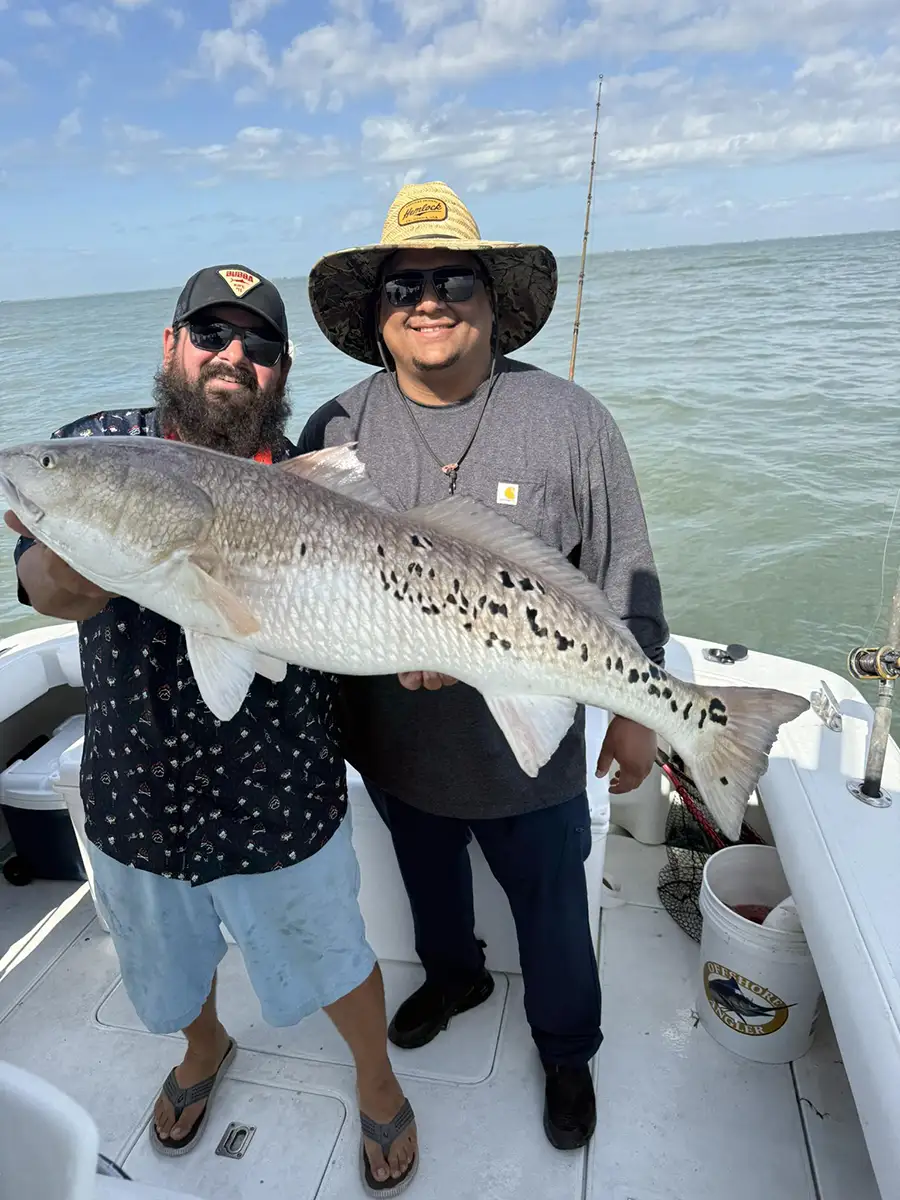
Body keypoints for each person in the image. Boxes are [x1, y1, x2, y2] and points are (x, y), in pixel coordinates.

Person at [4, 264, 418, 1195]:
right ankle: (204, 1048)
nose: (234, 356)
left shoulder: (309, 468)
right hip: (135, 791)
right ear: (171, 346)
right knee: (168, 959)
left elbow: (382, 590)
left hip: (281, 793)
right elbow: (41, 581)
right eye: (211, 334)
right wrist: (124, 543)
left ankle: (378, 1078)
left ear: (280, 371)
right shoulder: (98, 445)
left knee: (334, 954)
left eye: (260, 345)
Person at [298, 183, 669, 1151]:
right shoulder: (332, 432)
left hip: (531, 754)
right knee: (429, 889)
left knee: (550, 910)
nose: (428, 298)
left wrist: (642, 710)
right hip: (393, 747)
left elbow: (626, 564)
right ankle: (455, 977)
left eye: (452, 278)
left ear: (494, 301)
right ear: (377, 315)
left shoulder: (573, 421)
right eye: (403, 283)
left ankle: (566, 1050)